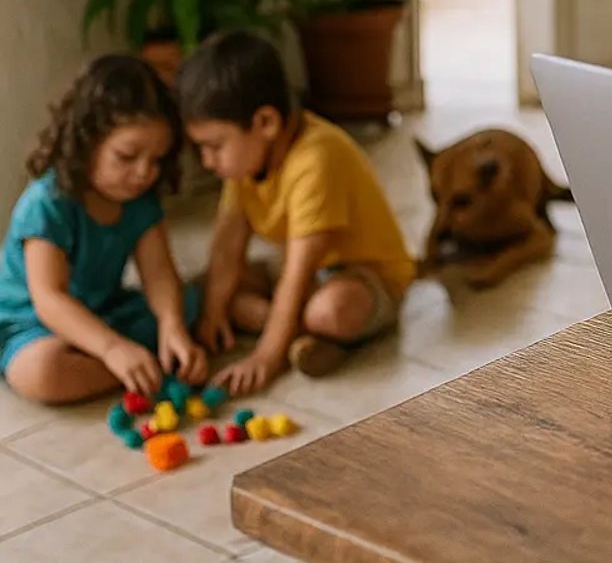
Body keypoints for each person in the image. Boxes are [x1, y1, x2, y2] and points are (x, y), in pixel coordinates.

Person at [179, 30, 414, 392]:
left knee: (330, 311)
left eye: (214, 146)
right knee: (202, 288)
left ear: (266, 123)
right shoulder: (242, 164)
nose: (207, 161)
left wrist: (265, 357)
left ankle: (300, 331)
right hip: (294, 270)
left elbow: (299, 272)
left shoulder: (316, 158)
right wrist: (212, 315)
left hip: (362, 277)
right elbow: (227, 248)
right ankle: (299, 332)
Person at [1, 55, 206, 402]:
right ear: (85, 141)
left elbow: (158, 275)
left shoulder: (139, 198)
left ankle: (147, 358)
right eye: (127, 156)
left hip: (105, 309)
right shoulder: (47, 204)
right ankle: (148, 366)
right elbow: (50, 299)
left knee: (184, 304)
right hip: (32, 324)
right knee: (43, 374)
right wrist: (112, 348)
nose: (144, 173)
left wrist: (171, 325)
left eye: (156, 160)